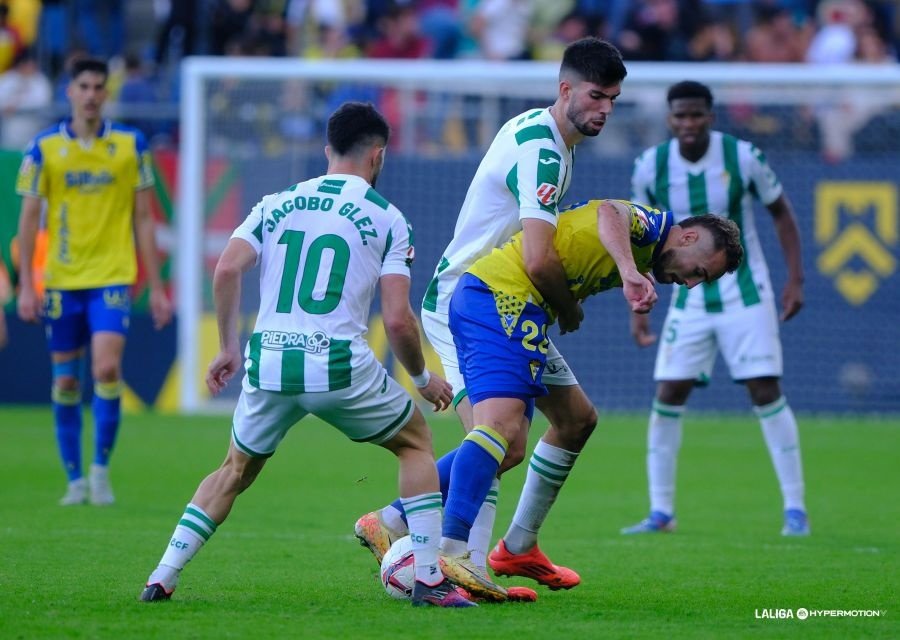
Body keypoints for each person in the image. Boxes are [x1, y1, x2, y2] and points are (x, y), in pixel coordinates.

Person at [139, 101, 474, 608]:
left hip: (269, 360)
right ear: (378, 156)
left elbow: (227, 269)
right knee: (416, 445)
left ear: (327, 151)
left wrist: (229, 345)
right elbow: (399, 318)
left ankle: (162, 576)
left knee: (234, 469)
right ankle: (428, 576)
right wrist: (423, 377)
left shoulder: (276, 202)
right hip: (336, 362)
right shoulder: (387, 217)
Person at [355, 36, 648, 599]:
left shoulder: (552, 137)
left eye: (613, 98)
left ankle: (513, 547)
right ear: (565, 90)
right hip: (468, 300)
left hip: (511, 303)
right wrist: (570, 306)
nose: (605, 109)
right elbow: (538, 256)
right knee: (498, 439)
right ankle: (453, 560)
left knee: (576, 419)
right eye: (596, 95)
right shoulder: (541, 147)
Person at [440, 198, 743, 601]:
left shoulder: (650, 250)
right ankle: (444, 548)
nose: (689, 283)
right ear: (687, 237)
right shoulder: (652, 226)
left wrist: (575, 302)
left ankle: (518, 547)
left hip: (525, 310)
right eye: (698, 272)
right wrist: (626, 272)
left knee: (574, 421)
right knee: (499, 429)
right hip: (501, 297)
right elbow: (610, 212)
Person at [622, 80, 809, 537]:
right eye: (680, 116)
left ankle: (795, 508)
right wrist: (639, 304)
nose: (688, 124)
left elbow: (781, 211)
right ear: (669, 119)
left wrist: (795, 278)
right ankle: (661, 512)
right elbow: (639, 237)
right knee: (668, 393)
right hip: (688, 299)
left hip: (744, 293)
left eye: (696, 115)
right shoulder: (651, 166)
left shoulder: (742, 157)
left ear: (711, 115)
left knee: (764, 389)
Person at [15, 57, 172, 507]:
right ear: (69, 91)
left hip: (113, 276)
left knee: (105, 369)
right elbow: (28, 219)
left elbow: (144, 217)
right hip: (63, 279)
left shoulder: (130, 144)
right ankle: (74, 479)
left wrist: (157, 287)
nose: (90, 94)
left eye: (98, 86)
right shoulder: (43, 148)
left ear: (106, 93)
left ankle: (100, 470)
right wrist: (28, 282)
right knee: (65, 382)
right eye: (82, 85)